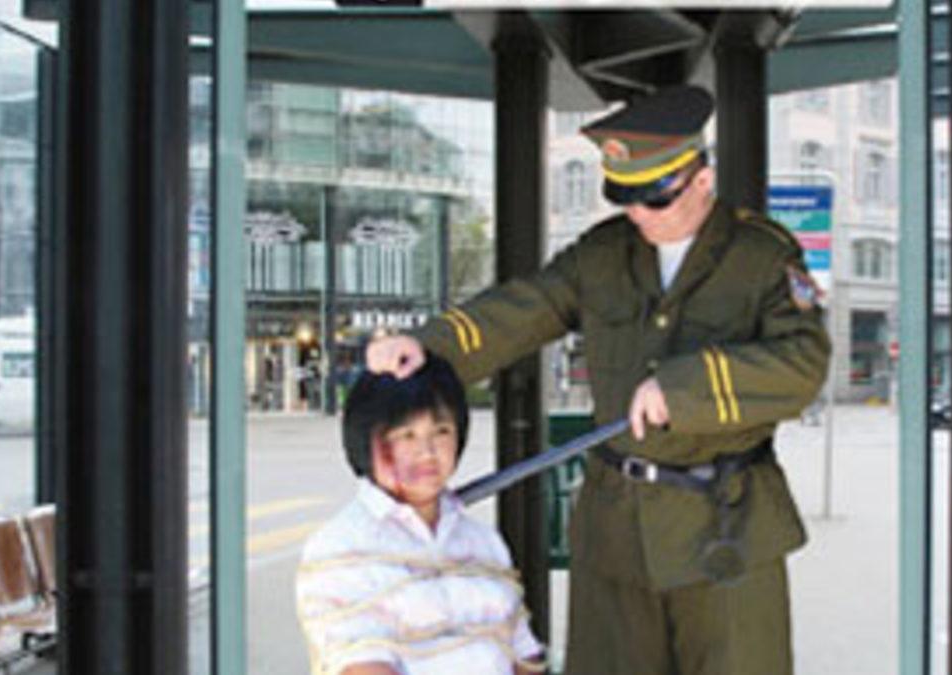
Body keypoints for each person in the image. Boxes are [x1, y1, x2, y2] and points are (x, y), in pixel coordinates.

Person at [365, 85, 831, 675]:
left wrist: (684, 390)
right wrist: (428, 346)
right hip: (617, 531)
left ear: (702, 180)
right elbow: (527, 307)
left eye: (654, 199)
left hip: (727, 529)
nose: (638, 215)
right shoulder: (604, 253)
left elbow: (804, 363)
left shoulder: (761, 254)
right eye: (625, 198)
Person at [295, 356, 546, 675]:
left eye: (441, 431)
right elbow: (363, 666)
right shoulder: (339, 548)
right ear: (367, 441)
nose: (427, 452)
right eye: (407, 435)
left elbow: (525, 655)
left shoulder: (484, 541)